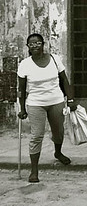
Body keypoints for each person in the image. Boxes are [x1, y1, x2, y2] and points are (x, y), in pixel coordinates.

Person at [17, 33, 77, 183]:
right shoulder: (25, 64)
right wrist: (22, 108)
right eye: (31, 44)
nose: (35, 46)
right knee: (37, 135)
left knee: (59, 132)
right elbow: (21, 89)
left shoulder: (55, 60)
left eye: (38, 43)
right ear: (28, 47)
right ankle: (34, 171)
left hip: (56, 101)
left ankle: (58, 153)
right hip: (35, 103)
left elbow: (64, 80)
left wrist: (70, 99)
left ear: (43, 44)